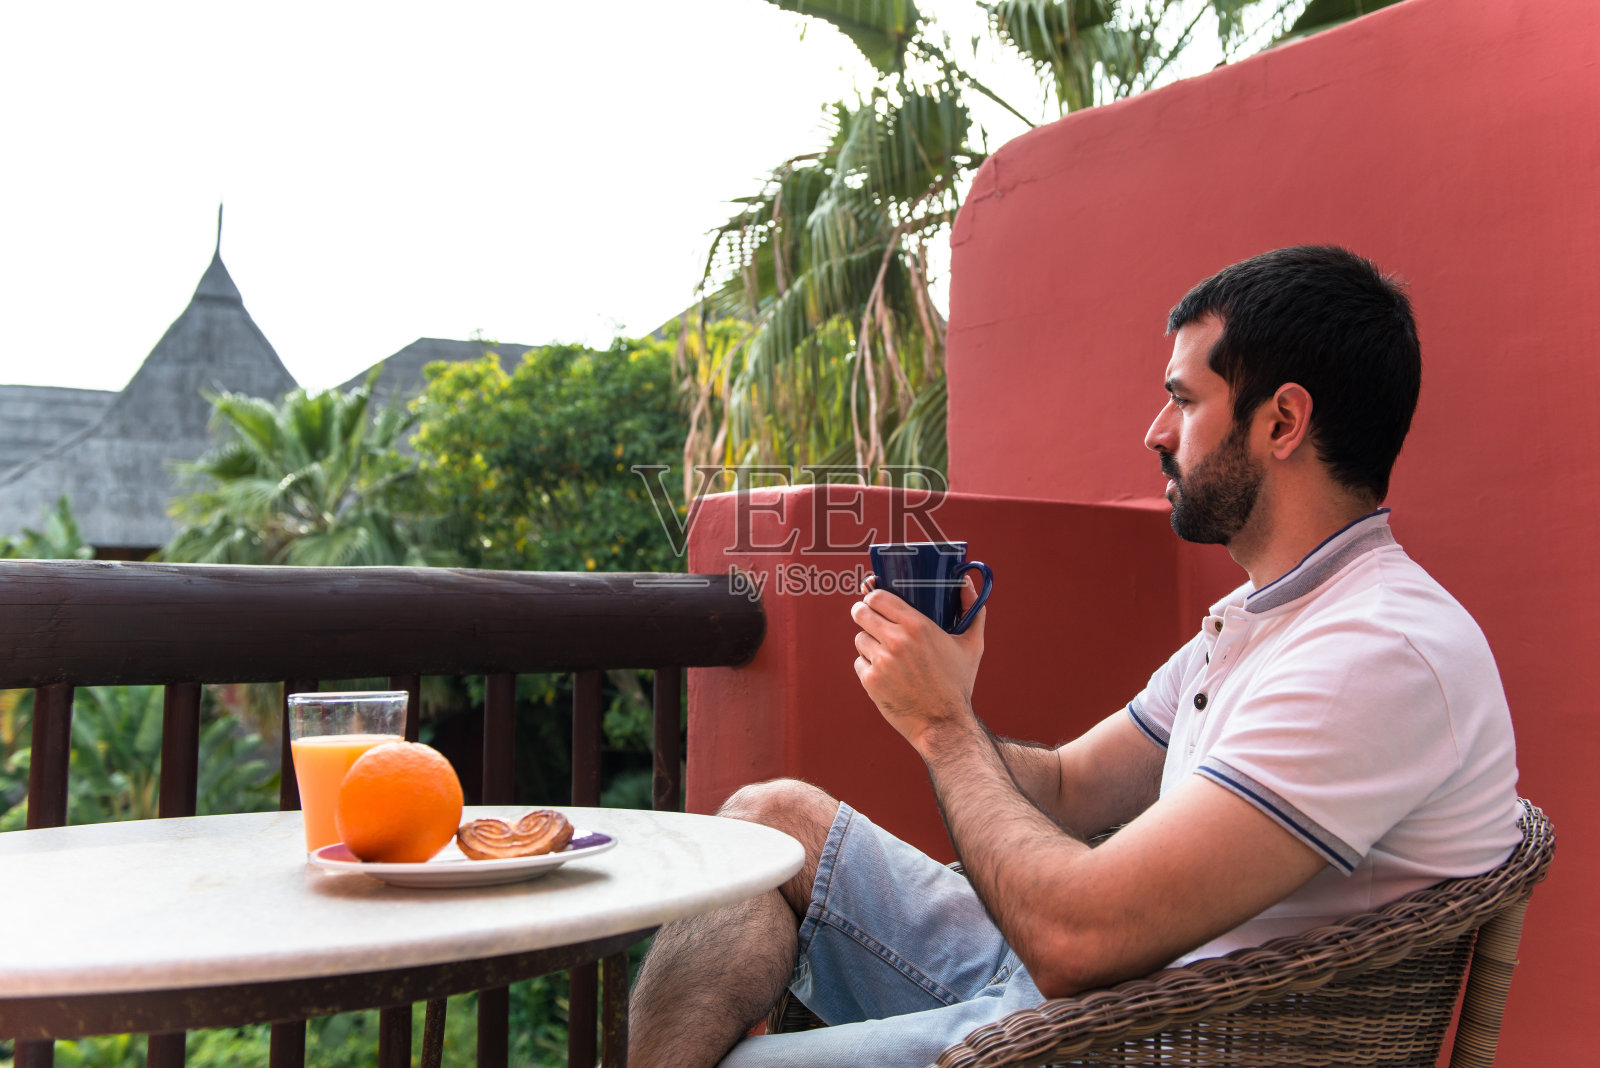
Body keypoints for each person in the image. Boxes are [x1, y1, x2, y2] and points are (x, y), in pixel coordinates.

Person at [627, 245, 1521, 1068]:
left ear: (1283, 420)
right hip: (1083, 989)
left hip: (1137, 1036)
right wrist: (942, 695)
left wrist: (944, 727)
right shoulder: (1267, 619)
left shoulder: (1372, 654)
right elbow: (1068, 784)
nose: (1156, 432)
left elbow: (1075, 944)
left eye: (1185, 400)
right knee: (772, 820)